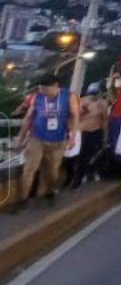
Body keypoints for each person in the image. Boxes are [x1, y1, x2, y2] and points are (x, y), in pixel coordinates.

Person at [11, 72, 79, 212]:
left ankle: (49, 191)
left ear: (55, 85)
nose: (42, 91)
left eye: (45, 89)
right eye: (40, 88)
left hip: (58, 141)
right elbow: (29, 118)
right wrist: (20, 138)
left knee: (52, 171)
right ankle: (22, 199)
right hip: (36, 138)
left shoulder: (69, 96)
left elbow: (74, 117)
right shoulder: (37, 97)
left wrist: (73, 138)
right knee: (29, 169)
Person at [72, 83, 109, 188]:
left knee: (94, 154)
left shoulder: (103, 104)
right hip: (82, 132)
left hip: (95, 132)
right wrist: (83, 110)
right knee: (80, 156)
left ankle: (91, 172)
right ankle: (78, 178)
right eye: (91, 94)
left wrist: (105, 136)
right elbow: (74, 117)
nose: (93, 97)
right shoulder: (81, 101)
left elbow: (104, 121)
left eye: (95, 94)